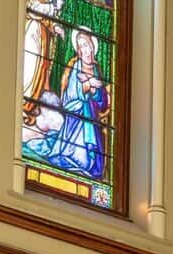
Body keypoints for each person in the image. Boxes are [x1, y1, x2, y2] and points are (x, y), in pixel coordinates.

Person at [25, 29, 110, 177]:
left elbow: (102, 102)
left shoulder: (97, 69)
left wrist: (95, 91)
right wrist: (86, 87)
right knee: (77, 157)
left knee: (91, 162)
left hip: (92, 117)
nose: (86, 49)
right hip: (75, 117)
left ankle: (90, 162)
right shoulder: (75, 66)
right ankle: (72, 155)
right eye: (82, 46)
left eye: (87, 45)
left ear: (92, 47)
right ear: (78, 50)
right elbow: (70, 97)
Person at [21, 0, 63, 136]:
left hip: (42, 36)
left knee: (40, 69)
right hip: (29, 34)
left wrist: (55, 27)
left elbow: (45, 17)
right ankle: (23, 102)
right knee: (29, 67)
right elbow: (31, 7)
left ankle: (30, 106)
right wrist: (54, 7)